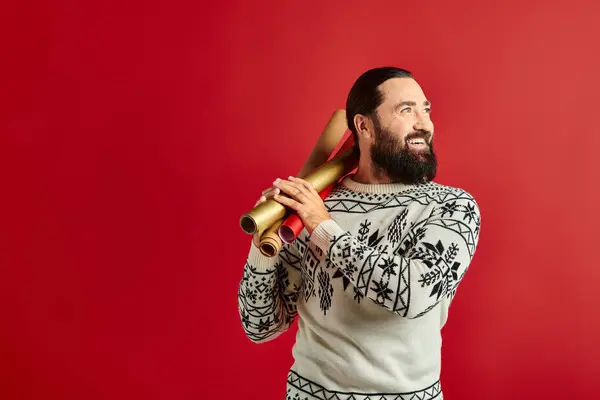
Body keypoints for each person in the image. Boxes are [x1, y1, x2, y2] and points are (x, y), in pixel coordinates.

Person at [237, 67, 481, 400]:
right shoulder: (314, 204)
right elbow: (260, 326)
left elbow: (413, 294)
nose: (424, 123)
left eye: (426, 109)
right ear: (364, 126)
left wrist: (323, 227)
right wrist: (264, 244)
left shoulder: (452, 207)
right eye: (406, 110)